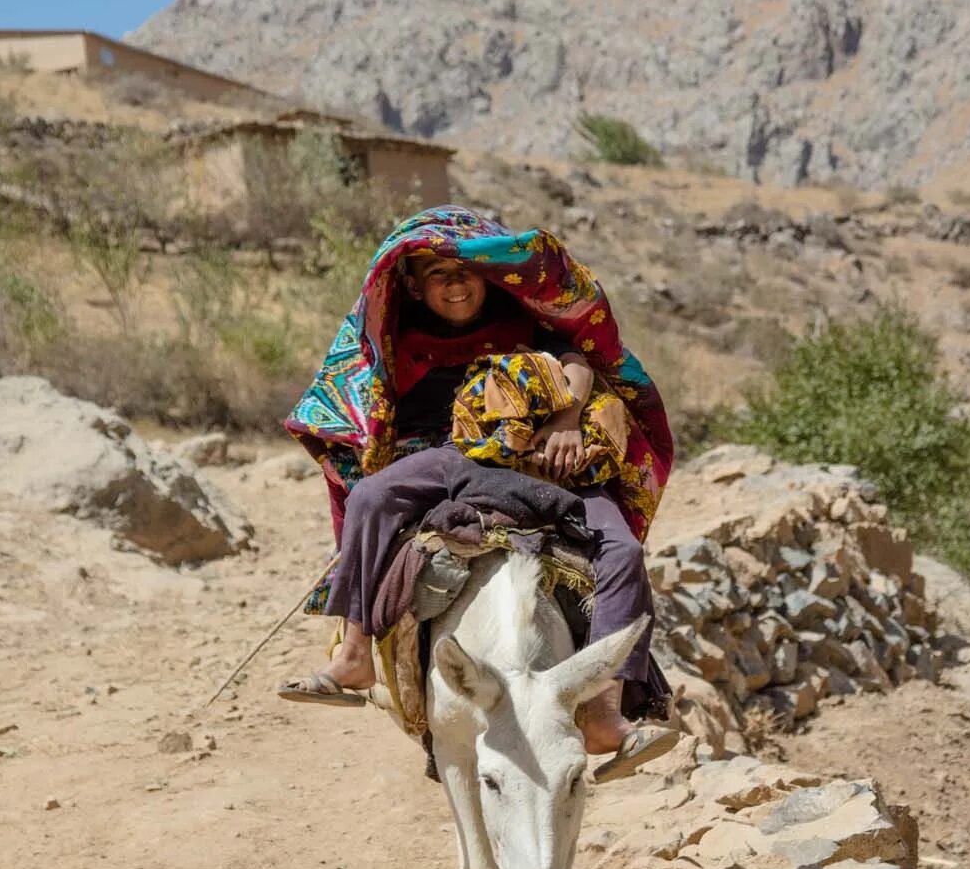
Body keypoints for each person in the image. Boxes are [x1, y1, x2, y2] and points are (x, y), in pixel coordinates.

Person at [277, 207, 678, 778]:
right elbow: (361, 405)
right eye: (437, 274)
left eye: (463, 271)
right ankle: (354, 656)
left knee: (621, 551)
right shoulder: (394, 339)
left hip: (539, 462)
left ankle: (605, 712)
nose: (456, 284)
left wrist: (564, 420)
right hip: (446, 458)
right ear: (413, 283)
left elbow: (576, 362)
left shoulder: (522, 320)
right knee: (369, 499)